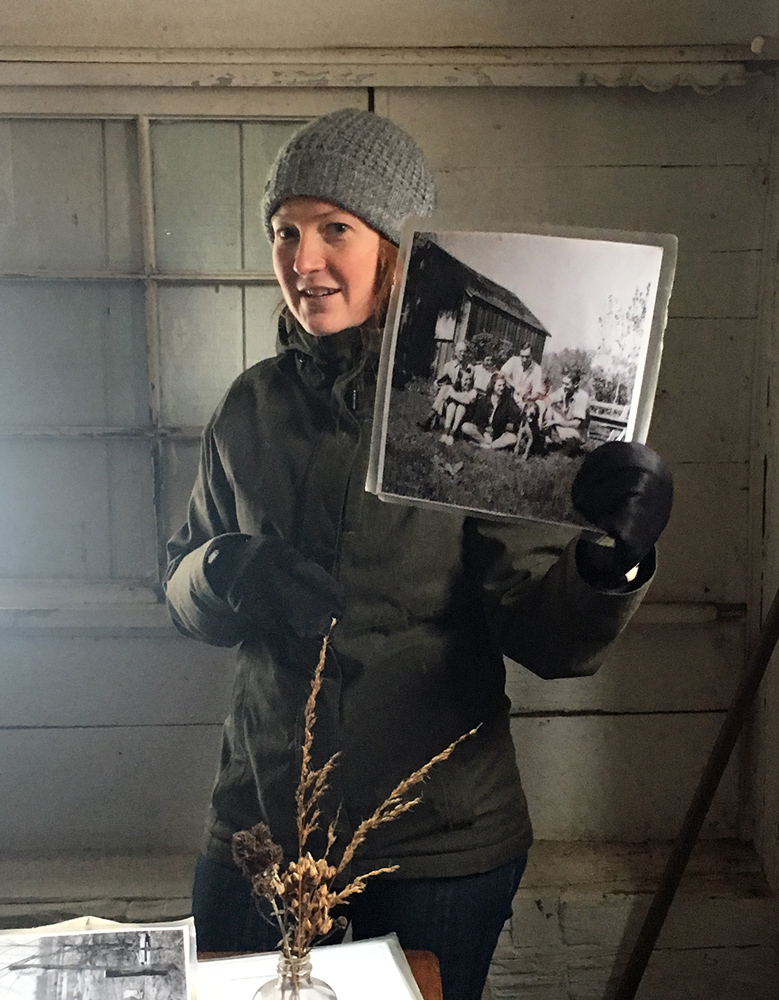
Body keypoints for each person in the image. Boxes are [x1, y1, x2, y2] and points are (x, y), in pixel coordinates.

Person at [163, 109, 673, 1000]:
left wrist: (611, 565)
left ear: (399, 250)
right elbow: (176, 584)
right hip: (259, 837)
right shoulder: (251, 406)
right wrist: (222, 572)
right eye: (285, 231)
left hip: (438, 848)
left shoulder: (454, 423)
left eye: (335, 230)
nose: (302, 260)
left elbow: (551, 641)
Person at [461, 372, 523, 450]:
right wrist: (484, 433)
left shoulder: (507, 401)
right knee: (466, 426)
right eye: (499, 385)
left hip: (497, 435)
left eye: (503, 385)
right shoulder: (484, 400)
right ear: (493, 385)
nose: (502, 388)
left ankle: (488, 446)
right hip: (483, 433)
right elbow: (477, 421)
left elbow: (516, 413)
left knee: (513, 438)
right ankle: (484, 443)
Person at [419, 340, 468, 432]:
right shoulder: (448, 366)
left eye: (464, 351)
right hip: (446, 394)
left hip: (458, 395)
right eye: (461, 351)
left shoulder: (466, 367)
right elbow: (439, 381)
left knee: (446, 389)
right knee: (445, 389)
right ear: (456, 353)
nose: (463, 354)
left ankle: (430, 418)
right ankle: (432, 421)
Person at [543, 371, 591, 449]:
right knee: (548, 409)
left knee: (567, 438)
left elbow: (577, 423)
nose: (563, 386)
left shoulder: (582, 396)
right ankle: (547, 438)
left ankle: (573, 446)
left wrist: (555, 422)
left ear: (575, 384)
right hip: (566, 423)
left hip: (578, 431)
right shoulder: (565, 390)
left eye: (567, 384)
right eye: (563, 383)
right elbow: (548, 400)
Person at [439, 369, 478, 446]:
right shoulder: (455, 387)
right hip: (451, 411)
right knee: (452, 405)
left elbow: (467, 401)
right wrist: (462, 396)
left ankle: (452, 434)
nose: (468, 382)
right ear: (460, 380)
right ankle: (446, 432)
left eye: (470, 380)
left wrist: (455, 396)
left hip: (465, 416)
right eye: (466, 380)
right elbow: (447, 396)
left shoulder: (473, 391)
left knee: (461, 407)